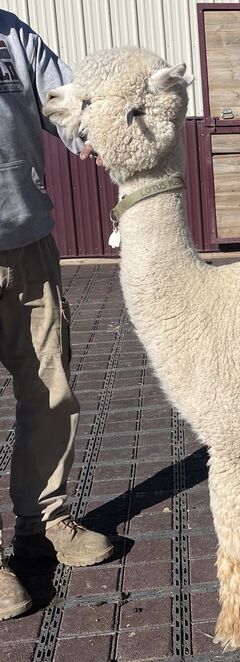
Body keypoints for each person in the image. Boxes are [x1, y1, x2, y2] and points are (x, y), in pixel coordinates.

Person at [0, 10, 112, 620]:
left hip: (28, 240)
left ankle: (43, 522)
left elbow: (66, 101)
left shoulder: (10, 33)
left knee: (51, 391)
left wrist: (107, 132)